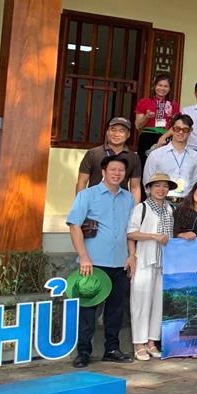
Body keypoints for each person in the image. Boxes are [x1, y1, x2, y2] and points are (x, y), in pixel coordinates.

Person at [67, 156, 135, 366]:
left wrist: (132, 255)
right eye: (113, 169)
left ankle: (112, 349)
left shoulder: (129, 198)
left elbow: (131, 230)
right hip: (93, 262)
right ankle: (83, 352)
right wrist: (84, 256)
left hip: (120, 262)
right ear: (103, 172)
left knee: (115, 310)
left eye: (121, 170)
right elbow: (74, 225)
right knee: (88, 309)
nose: (117, 173)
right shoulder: (87, 195)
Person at [126, 173, 175, 361]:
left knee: (158, 303)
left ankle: (151, 342)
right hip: (145, 259)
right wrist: (153, 236)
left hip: (164, 262)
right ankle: (139, 343)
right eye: (157, 186)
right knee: (140, 302)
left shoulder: (170, 209)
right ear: (149, 188)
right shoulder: (142, 208)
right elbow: (131, 233)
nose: (161, 190)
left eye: (165, 186)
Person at [76, 117, 143, 200]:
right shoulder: (93, 153)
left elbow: (135, 187)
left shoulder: (133, 157)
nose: (116, 134)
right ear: (107, 132)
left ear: (128, 134)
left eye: (121, 131)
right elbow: (82, 182)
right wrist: (81, 203)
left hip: (120, 203)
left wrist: (135, 207)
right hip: (94, 202)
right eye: (113, 130)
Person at [143, 114, 197, 200]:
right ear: (172, 129)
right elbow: (147, 182)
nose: (181, 132)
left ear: (190, 131)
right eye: (177, 128)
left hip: (185, 203)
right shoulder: (156, 154)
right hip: (160, 201)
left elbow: (195, 184)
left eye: (185, 129)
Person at [133, 73, 176, 162]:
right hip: (147, 137)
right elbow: (138, 126)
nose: (162, 88)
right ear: (154, 86)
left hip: (166, 138)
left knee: (163, 165)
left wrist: (164, 137)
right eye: (160, 85)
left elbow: (175, 126)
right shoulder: (145, 102)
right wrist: (147, 117)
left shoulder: (173, 104)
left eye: (166, 86)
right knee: (145, 163)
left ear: (170, 88)